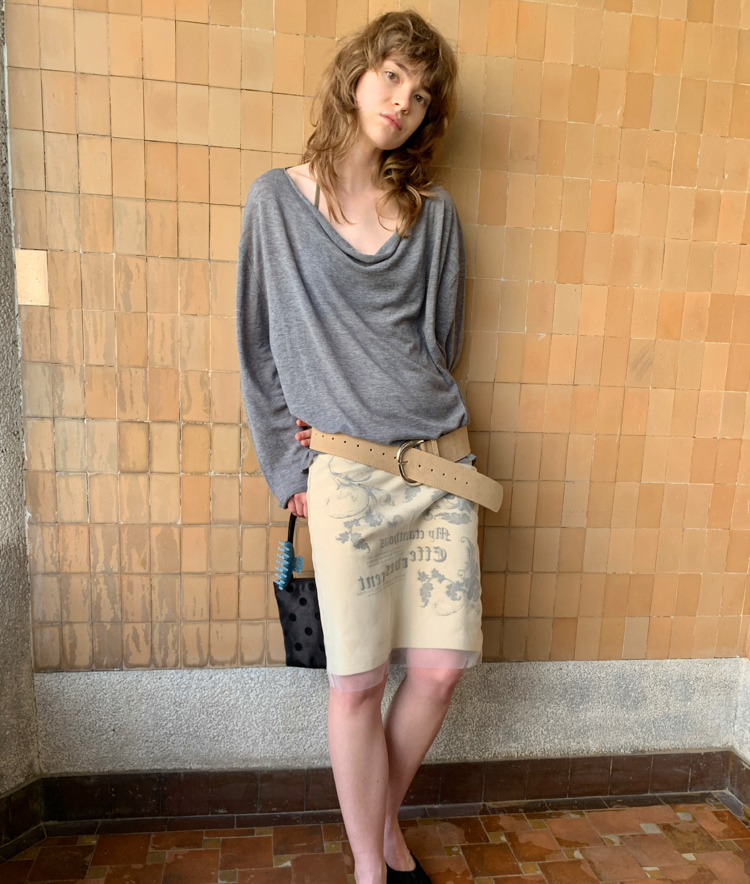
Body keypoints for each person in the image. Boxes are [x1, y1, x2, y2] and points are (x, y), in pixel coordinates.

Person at [236, 11, 500, 884]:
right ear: (357, 75)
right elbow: (258, 348)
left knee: (440, 670)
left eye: (420, 95)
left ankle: (381, 828)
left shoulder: (435, 216)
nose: (402, 101)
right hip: (344, 471)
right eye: (392, 76)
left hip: (440, 463)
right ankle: (371, 867)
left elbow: (441, 343)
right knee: (354, 681)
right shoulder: (275, 203)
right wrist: (289, 467)